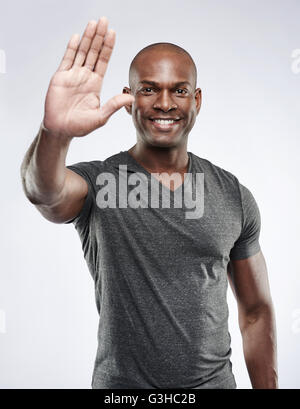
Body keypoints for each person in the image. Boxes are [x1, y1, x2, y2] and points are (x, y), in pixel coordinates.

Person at [20, 17, 278, 389]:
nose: (164, 103)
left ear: (197, 100)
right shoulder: (98, 183)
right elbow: (42, 191)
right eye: (149, 89)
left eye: (179, 91)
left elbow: (255, 313)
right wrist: (55, 134)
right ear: (129, 99)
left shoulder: (233, 195)